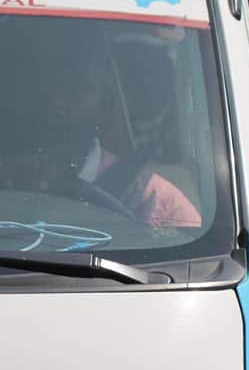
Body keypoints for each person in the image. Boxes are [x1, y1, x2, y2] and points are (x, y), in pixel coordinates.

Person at [0, 20, 202, 229]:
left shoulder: (156, 203)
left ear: (107, 98)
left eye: (75, 88)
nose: (57, 102)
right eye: (40, 89)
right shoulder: (7, 180)